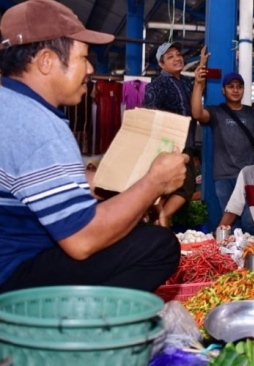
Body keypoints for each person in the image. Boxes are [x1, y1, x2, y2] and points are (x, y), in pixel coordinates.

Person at [0, 0, 187, 293]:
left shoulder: (10, 104)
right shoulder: (39, 124)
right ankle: (79, 327)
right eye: (83, 58)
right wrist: (153, 183)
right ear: (46, 61)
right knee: (159, 246)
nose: (89, 69)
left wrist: (112, 183)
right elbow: (81, 241)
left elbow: (38, 181)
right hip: (13, 277)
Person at [192, 48, 254, 235]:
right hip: (224, 176)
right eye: (231, 86)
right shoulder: (216, 112)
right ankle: (234, 259)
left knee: (250, 221)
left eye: (239, 86)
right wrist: (199, 84)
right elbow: (197, 113)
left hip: (249, 176)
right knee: (230, 223)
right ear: (223, 90)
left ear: (243, 90)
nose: (235, 90)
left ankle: (250, 256)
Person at [143, 41, 198, 227]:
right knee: (182, 186)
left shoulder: (186, 83)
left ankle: (160, 222)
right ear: (161, 64)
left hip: (187, 144)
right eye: (170, 56)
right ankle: (162, 219)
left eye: (178, 54)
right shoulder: (157, 85)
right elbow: (149, 115)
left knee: (181, 186)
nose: (176, 58)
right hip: (169, 146)